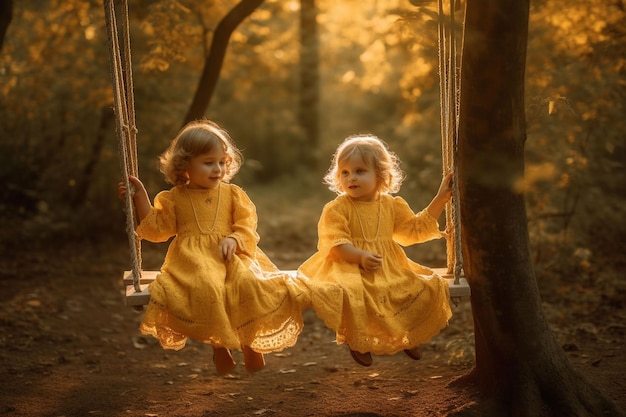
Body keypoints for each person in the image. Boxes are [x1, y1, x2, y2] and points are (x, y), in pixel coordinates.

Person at [118, 120, 307, 374]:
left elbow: (246, 225)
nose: (217, 168)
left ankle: (250, 343)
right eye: (208, 163)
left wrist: (234, 239)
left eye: (221, 162)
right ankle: (220, 346)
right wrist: (139, 196)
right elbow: (155, 229)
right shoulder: (175, 198)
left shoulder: (232, 195)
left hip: (231, 256)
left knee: (249, 284)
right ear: (185, 165)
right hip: (193, 261)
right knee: (207, 286)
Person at [297, 134, 453, 367]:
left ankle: (407, 334)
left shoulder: (391, 205)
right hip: (348, 264)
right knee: (357, 292)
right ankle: (357, 339)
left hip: (387, 265)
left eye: (360, 171)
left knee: (418, 286)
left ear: (380, 175)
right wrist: (359, 256)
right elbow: (335, 242)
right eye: (345, 172)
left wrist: (440, 199)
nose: (351, 178)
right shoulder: (337, 208)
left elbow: (413, 230)